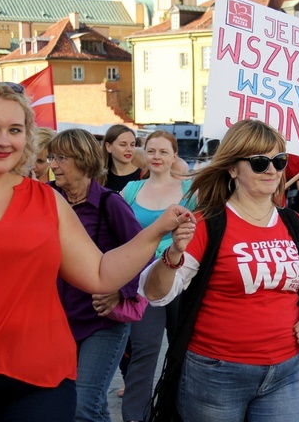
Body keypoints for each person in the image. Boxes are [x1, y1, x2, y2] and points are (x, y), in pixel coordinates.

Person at [0, 77, 195, 421]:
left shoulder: (47, 200)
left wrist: (158, 229)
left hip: (41, 377)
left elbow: (98, 274)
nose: (4, 140)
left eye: (15, 130)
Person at [141, 119, 299, 422]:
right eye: (259, 162)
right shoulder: (207, 223)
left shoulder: (293, 224)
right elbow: (155, 293)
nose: (272, 171)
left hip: (287, 372)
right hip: (216, 375)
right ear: (233, 168)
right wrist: (173, 254)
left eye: (279, 161)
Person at [49, 128, 145, 422]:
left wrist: (120, 291)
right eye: (51, 157)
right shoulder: (47, 198)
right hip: (56, 321)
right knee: (88, 406)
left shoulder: (109, 203)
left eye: (61, 158)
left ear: (83, 160)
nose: (52, 164)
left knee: (83, 405)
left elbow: (142, 253)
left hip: (100, 321)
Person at [119, 131, 195, 422]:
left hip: (182, 277)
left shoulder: (191, 190)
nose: (157, 157)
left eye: (164, 152)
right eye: (151, 151)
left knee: (182, 351)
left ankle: (177, 413)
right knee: (144, 351)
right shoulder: (131, 191)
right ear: (144, 154)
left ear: (174, 155)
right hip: (143, 281)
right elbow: (119, 235)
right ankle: (136, 417)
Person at [103, 124, 141, 193]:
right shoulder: (99, 178)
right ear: (108, 147)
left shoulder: (143, 177)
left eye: (132, 145)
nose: (129, 149)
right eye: (123, 144)